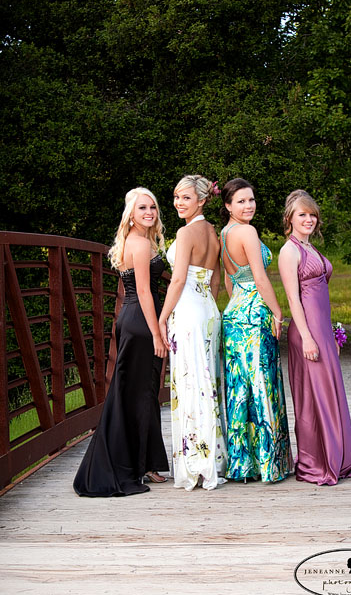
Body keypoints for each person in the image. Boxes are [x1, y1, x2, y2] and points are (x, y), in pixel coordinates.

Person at [73, 187, 169, 496]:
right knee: (139, 395)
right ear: (130, 214)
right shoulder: (139, 243)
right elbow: (143, 291)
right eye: (142, 208)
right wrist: (157, 333)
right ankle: (130, 466)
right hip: (141, 323)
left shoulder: (138, 240)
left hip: (134, 319)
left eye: (152, 207)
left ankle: (146, 463)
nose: (149, 212)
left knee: (142, 393)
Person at [278, 189, 351, 486]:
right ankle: (316, 462)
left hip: (322, 330)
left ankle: (337, 457)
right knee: (314, 397)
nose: (309, 219)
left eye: (312, 214)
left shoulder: (311, 248)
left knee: (330, 392)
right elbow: (293, 298)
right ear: (289, 218)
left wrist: (331, 334)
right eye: (302, 214)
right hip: (306, 332)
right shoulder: (289, 251)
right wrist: (307, 338)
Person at [220, 178, 293, 483]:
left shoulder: (224, 233)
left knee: (240, 389)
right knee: (263, 384)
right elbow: (260, 279)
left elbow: (229, 279)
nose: (248, 206)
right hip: (254, 312)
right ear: (228, 205)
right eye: (241, 201)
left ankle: (242, 464)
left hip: (234, 312)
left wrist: (238, 304)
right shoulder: (247, 232)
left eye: (251, 200)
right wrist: (277, 312)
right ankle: (268, 464)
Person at [159, 175, 227, 491]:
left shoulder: (186, 233)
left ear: (201, 200)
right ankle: (212, 457)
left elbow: (177, 280)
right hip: (208, 309)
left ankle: (197, 463)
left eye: (185, 197)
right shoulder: (213, 232)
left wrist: (163, 318)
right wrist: (207, 306)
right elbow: (215, 280)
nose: (178, 203)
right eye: (176, 197)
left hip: (188, 309)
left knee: (191, 384)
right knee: (206, 383)